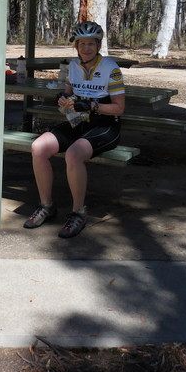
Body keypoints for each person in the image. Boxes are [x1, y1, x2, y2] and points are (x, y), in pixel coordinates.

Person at [23, 21, 125, 238]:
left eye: (91, 43)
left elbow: (119, 108)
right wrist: (62, 99)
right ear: (76, 46)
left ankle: (78, 212)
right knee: (38, 147)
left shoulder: (111, 68)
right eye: (82, 44)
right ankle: (46, 206)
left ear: (98, 45)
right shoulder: (73, 66)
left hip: (105, 125)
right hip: (78, 122)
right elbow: (68, 94)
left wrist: (92, 105)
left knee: (73, 154)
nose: (86, 48)